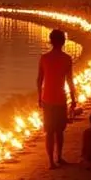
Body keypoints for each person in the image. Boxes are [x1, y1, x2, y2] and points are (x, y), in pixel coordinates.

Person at [36, 28, 76, 169]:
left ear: (51, 41)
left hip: (47, 97)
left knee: (49, 131)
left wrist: (39, 98)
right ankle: (58, 157)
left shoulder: (44, 58)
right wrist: (73, 98)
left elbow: (39, 80)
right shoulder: (67, 59)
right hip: (60, 98)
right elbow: (70, 81)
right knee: (59, 130)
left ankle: (51, 162)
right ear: (63, 42)